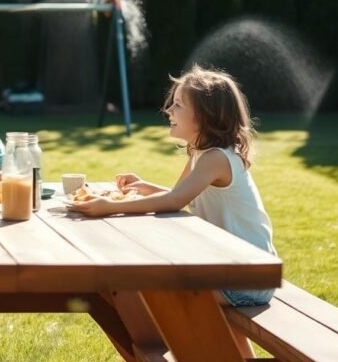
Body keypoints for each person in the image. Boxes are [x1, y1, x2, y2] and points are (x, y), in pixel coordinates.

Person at [68, 66, 277, 353]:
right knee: (163, 287)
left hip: (247, 277)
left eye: (178, 105)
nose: (168, 110)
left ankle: (156, 352)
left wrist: (111, 208)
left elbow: (174, 202)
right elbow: (178, 195)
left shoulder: (216, 158)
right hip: (237, 271)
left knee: (158, 290)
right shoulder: (201, 153)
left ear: (206, 115)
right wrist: (144, 186)